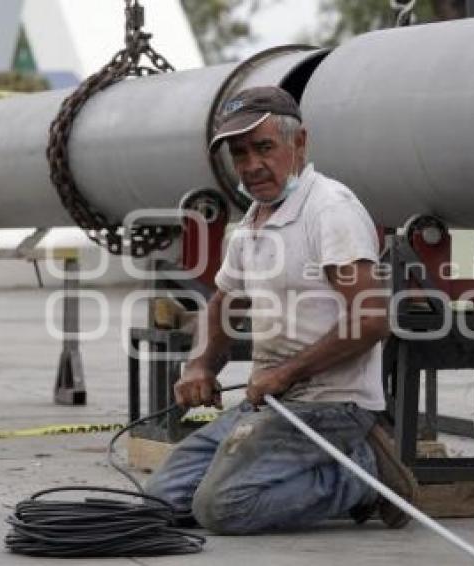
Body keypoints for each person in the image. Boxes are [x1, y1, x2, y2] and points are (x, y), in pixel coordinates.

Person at [145, 86, 418, 534]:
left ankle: (362, 475)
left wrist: (285, 373)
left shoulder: (329, 211)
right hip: (271, 400)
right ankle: (327, 471)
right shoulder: (254, 221)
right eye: (240, 153)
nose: (252, 165)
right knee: (161, 502)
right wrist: (200, 366)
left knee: (222, 508)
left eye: (264, 148)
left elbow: (371, 320)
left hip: (332, 407)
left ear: (300, 143)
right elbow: (223, 303)